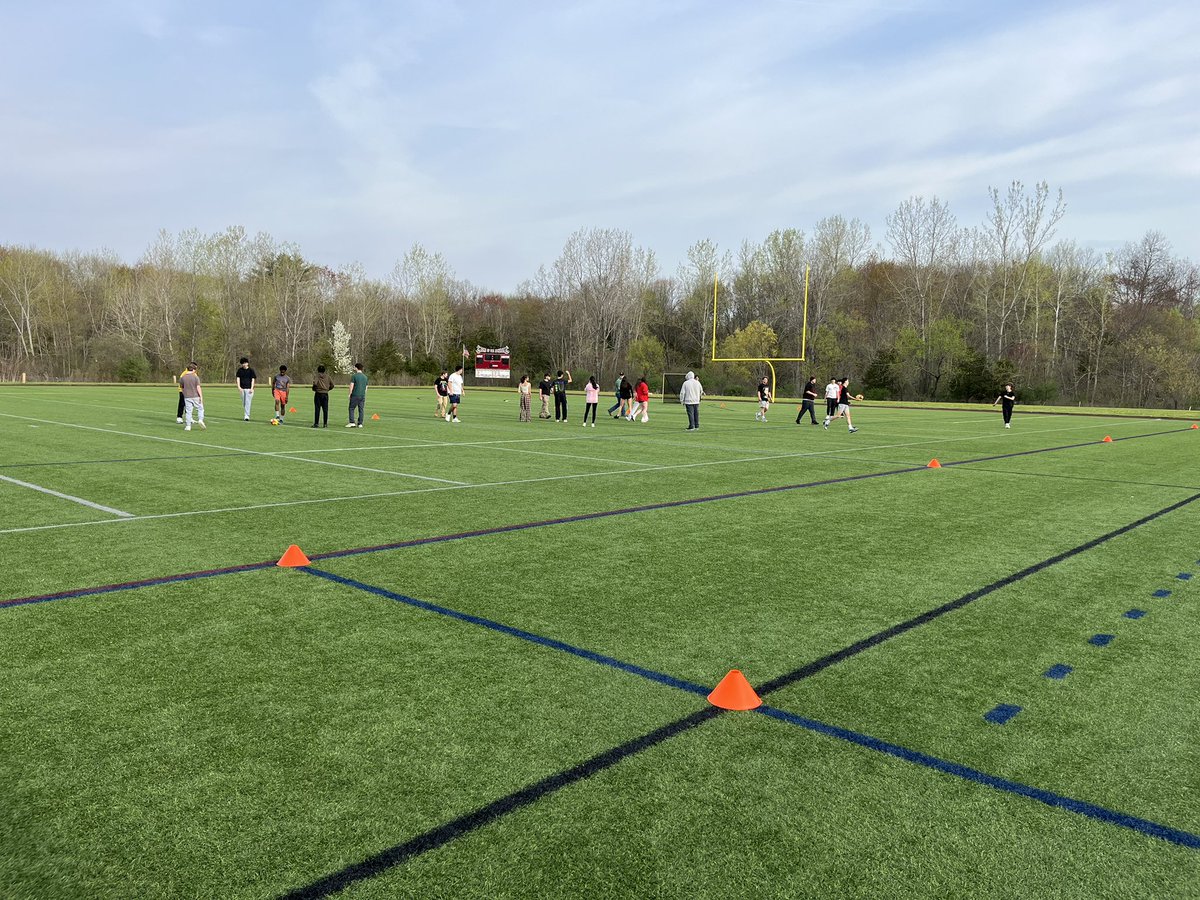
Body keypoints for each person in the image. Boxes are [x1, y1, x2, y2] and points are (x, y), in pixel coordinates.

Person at [179, 363, 206, 431]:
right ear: (193, 370)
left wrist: (185, 394)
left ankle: (188, 426)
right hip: (195, 396)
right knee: (200, 408)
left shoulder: (182, 378)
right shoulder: (195, 377)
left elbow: (182, 387)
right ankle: (200, 419)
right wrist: (201, 396)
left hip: (187, 397)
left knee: (188, 411)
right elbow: (198, 387)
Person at [347, 362, 368, 427]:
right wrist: (363, 394)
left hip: (355, 395)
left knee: (351, 408)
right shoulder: (365, 377)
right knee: (361, 409)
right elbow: (366, 387)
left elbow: (351, 385)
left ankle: (352, 422)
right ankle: (360, 423)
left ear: (356, 368)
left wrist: (349, 394)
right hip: (362, 395)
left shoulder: (354, 376)